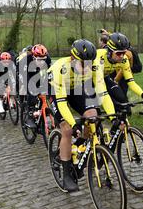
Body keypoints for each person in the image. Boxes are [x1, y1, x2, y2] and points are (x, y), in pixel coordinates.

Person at [47, 39, 116, 192]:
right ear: (72, 59)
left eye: (89, 64)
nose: (87, 68)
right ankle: (66, 174)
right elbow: (62, 103)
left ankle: (79, 146)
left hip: (77, 88)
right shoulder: (60, 68)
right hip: (55, 92)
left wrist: (113, 116)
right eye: (82, 64)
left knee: (93, 117)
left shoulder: (93, 66)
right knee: (66, 129)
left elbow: (102, 93)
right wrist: (73, 124)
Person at [97, 33, 143, 110]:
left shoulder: (124, 59)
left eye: (124, 53)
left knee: (123, 100)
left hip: (105, 77)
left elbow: (131, 82)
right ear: (109, 51)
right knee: (104, 103)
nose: (122, 56)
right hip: (90, 79)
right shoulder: (98, 56)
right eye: (119, 53)